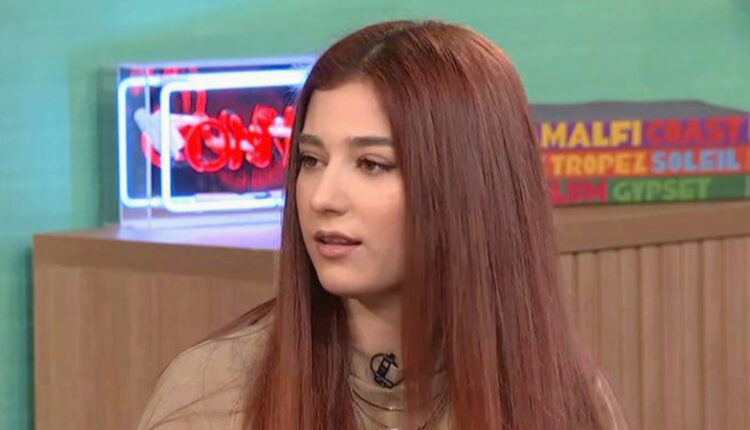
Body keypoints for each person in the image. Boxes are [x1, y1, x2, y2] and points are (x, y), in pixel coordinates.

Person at [136, 19, 629, 430]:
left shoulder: (565, 401)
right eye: (311, 160)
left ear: (467, 187)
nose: (323, 198)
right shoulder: (210, 396)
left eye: (372, 164)